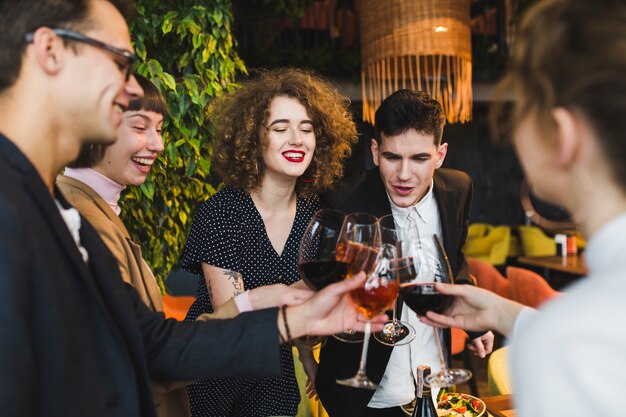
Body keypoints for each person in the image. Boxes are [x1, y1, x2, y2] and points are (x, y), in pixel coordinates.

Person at [0, 1, 386, 416]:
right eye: (120, 62)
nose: (133, 89)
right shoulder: (14, 204)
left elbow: (150, 346)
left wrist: (294, 321)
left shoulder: (55, 205)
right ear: (50, 51)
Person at [56, 74, 314, 417]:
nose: (159, 144)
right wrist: (286, 308)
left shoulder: (97, 210)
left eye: (159, 129)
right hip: (213, 381)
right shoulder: (78, 220)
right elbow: (146, 352)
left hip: (268, 378)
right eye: (140, 126)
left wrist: (287, 317)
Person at [418, 0, 626, 416]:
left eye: (520, 112)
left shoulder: (565, 345)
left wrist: (545, 333)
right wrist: (502, 311)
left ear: (562, 135)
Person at [180, 67, 359, 417]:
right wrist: (314, 292)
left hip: (273, 376)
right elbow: (232, 318)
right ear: (252, 139)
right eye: (281, 128)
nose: (297, 139)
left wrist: (308, 357)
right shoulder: (222, 212)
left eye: (306, 129)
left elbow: (310, 309)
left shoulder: (316, 215)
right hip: (213, 378)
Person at [315, 89, 494, 417]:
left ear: (440, 155)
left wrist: (473, 322)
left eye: (419, 159)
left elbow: (454, 260)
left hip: (432, 381)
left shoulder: (458, 189)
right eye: (392, 157)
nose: (404, 174)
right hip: (363, 394)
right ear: (374, 151)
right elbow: (326, 290)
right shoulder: (343, 202)